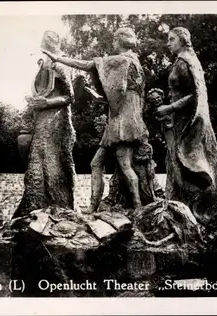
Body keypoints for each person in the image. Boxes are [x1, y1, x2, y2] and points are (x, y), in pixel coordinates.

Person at [42, 27, 148, 212]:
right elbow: (122, 96)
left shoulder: (121, 60)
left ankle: (138, 207)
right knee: (96, 163)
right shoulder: (136, 64)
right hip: (122, 121)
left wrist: (57, 58)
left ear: (121, 41)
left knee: (125, 165)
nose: (113, 43)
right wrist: (99, 98)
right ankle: (93, 206)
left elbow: (87, 64)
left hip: (123, 124)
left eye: (114, 40)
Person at [154, 27, 217, 224]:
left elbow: (194, 95)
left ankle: (201, 204)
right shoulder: (182, 61)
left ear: (183, 40)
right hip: (178, 119)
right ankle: (181, 204)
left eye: (171, 39)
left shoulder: (186, 62)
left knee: (186, 159)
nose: (168, 43)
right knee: (175, 160)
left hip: (187, 120)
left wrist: (170, 107)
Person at [11, 30, 76, 219]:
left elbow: (70, 97)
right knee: (35, 165)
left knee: (51, 163)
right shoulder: (42, 64)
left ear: (53, 43)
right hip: (40, 119)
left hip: (56, 120)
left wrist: (47, 103)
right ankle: (33, 208)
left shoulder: (62, 63)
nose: (43, 43)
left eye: (46, 40)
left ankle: (60, 208)